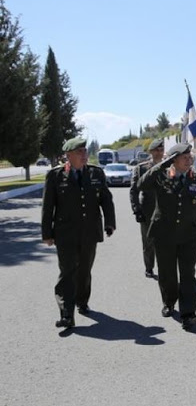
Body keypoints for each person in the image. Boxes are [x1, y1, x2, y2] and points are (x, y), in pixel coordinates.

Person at [41, 137, 116, 328]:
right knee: (67, 272)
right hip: (65, 233)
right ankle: (67, 313)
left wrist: (110, 223)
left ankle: (82, 301)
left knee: (84, 271)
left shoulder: (96, 173)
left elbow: (106, 200)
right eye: (79, 152)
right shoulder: (55, 176)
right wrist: (47, 233)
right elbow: (48, 206)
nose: (84, 155)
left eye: (84, 151)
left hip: (90, 232)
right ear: (68, 155)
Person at [137, 143, 196, 330]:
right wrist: (161, 165)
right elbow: (141, 184)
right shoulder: (160, 176)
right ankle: (168, 302)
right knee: (167, 274)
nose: (189, 159)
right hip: (164, 234)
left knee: (188, 275)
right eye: (184, 157)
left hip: (189, 235)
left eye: (190, 156)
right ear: (173, 160)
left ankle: (188, 314)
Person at [129, 138, 164, 278]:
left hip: (165, 210)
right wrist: (136, 210)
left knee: (163, 241)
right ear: (151, 152)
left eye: (161, 150)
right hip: (148, 209)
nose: (160, 153)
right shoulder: (141, 168)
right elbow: (134, 190)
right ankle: (149, 267)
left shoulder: (169, 167)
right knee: (148, 241)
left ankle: (164, 267)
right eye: (157, 150)